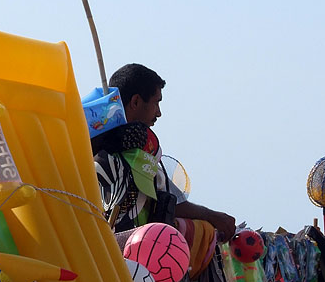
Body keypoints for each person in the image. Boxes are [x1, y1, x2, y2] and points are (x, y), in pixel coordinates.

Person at [92, 64, 236, 242]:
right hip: (126, 252)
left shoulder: (88, 143)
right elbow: (176, 202)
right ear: (136, 102)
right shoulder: (136, 151)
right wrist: (214, 217)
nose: (159, 113)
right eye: (156, 102)